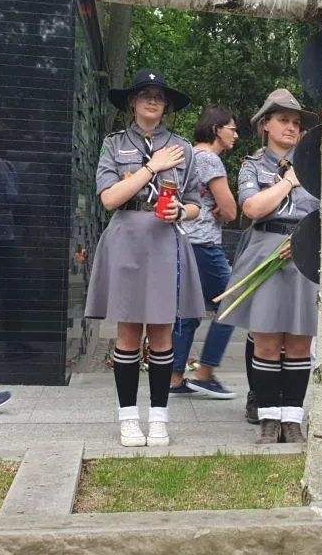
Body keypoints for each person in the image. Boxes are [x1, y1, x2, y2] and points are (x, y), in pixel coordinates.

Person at [85, 69, 205, 447]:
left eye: (159, 96)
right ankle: (127, 419)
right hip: (127, 239)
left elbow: (196, 204)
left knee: (162, 332)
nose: (152, 100)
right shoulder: (113, 144)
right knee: (128, 333)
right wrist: (152, 167)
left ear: (166, 105)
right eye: (144, 94)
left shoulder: (183, 148)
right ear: (132, 102)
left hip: (165, 241)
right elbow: (109, 198)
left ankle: (158, 418)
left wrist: (180, 211)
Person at [217, 88, 319, 444]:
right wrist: (289, 181)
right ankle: (268, 419)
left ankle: (292, 420)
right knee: (266, 341)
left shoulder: (315, 166)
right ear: (265, 125)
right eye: (283, 120)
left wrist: (305, 241)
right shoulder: (253, 165)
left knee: (300, 342)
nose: (291, 127)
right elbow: (252, 208)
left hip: (304, 254)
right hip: (265, 250)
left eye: (296, 123)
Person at [169, 105, 240, 399]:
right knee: (232, 302)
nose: (236, 135)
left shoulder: (188, 155)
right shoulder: (210, 159)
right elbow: (231, 211)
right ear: (216, 130)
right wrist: (224, 211)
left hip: (182, 241)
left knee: (187, 312)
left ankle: (174, 379)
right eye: (232, 129)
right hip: (204, 244)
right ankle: (205, 373)